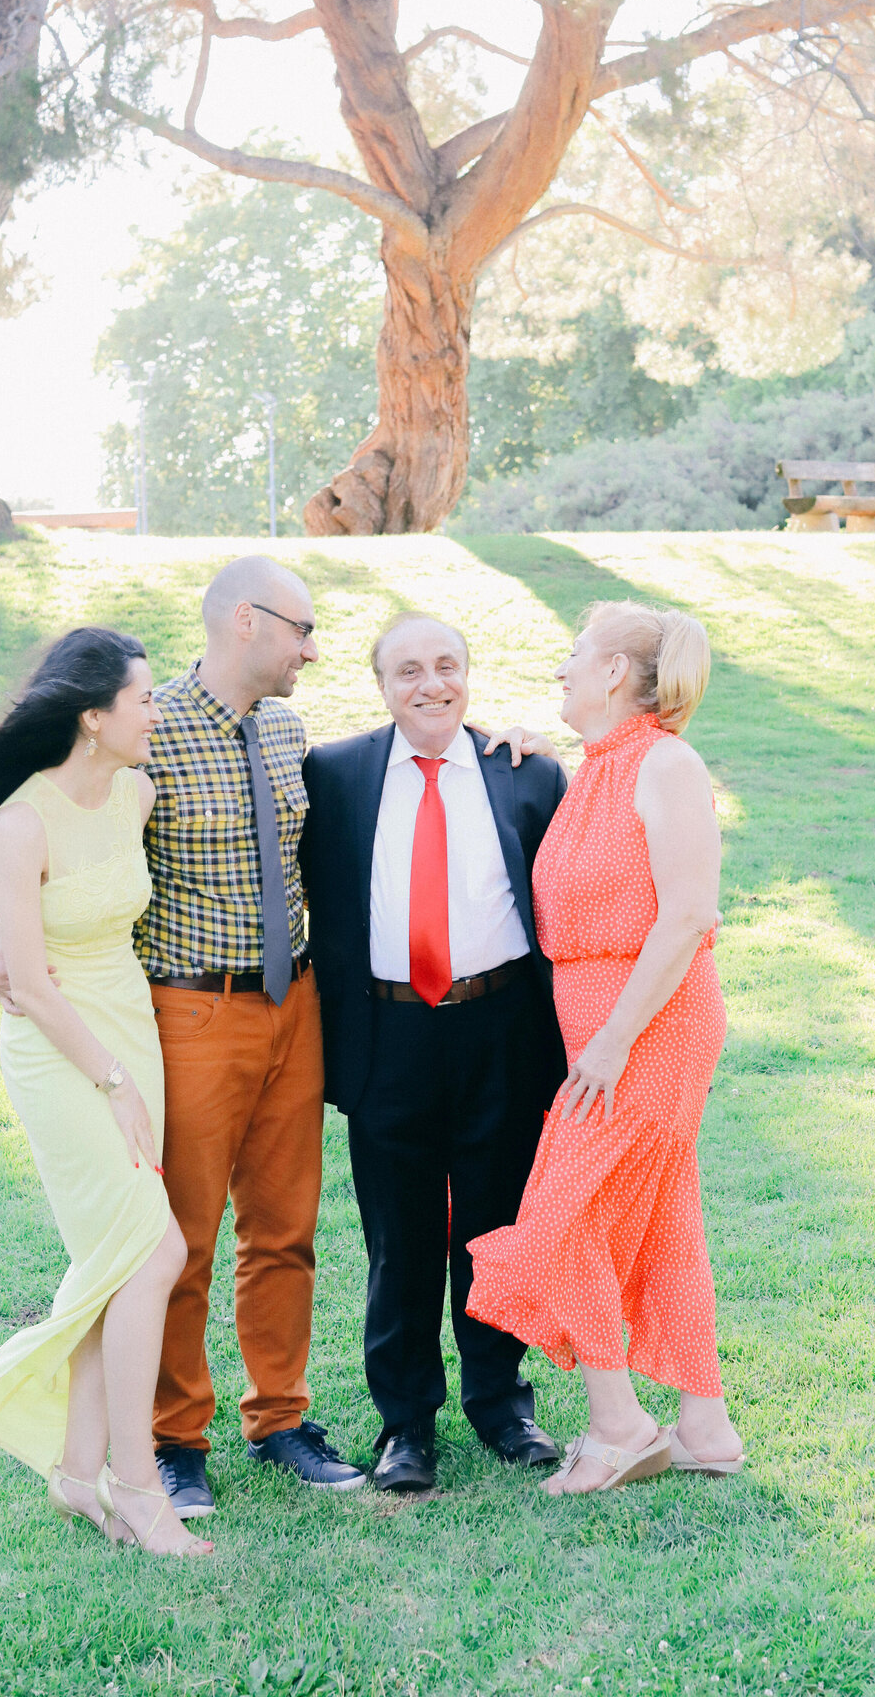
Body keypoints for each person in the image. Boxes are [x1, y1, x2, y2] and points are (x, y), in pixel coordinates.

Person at [0, 559, 363, 1517]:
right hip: (188, 1014)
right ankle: (174, 1437)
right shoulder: (146, 736)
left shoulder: (287, 731)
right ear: (247, 621)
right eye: (303, 630)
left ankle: (281, 1418)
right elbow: (64, 833)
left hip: (296, 1005)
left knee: (286, 1229)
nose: (313, 650)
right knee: (181, 1233)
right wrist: (1, 938)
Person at [0, 628, 211, 1557]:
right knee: (153, 1252)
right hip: (62, 1053)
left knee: (120, 1261)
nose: (156, 714)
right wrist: (112, 1079)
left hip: (129, 1025)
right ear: (94, 718)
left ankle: (78, 1470)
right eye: (144, 701)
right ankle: (137, 1486)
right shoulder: (24, 818)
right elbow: (31, 979)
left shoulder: (135, 790)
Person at [467, 600, 744, 1495]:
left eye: (576, 653)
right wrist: (514, 751)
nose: (562, 668)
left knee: (565, 1213)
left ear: (617, 673)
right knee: (664, 1223)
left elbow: (691, 914)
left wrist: (617, 1040)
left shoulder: (668, 762)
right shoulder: (598, 769)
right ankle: (705, 1428)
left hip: (649, 1027)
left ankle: (617, 1424)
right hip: (601, 1031)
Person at [302, 614, 568, 1493]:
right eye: (408, 669)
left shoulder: (524, 773)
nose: (431, 684)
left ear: (469, 675)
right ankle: (405, 1425)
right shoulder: (335, 774)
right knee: (399, 1238)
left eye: (447, 666)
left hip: (499, 1028)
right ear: (380, 683)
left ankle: (502, 1404)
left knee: (495, 1229)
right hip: (388, 1034)